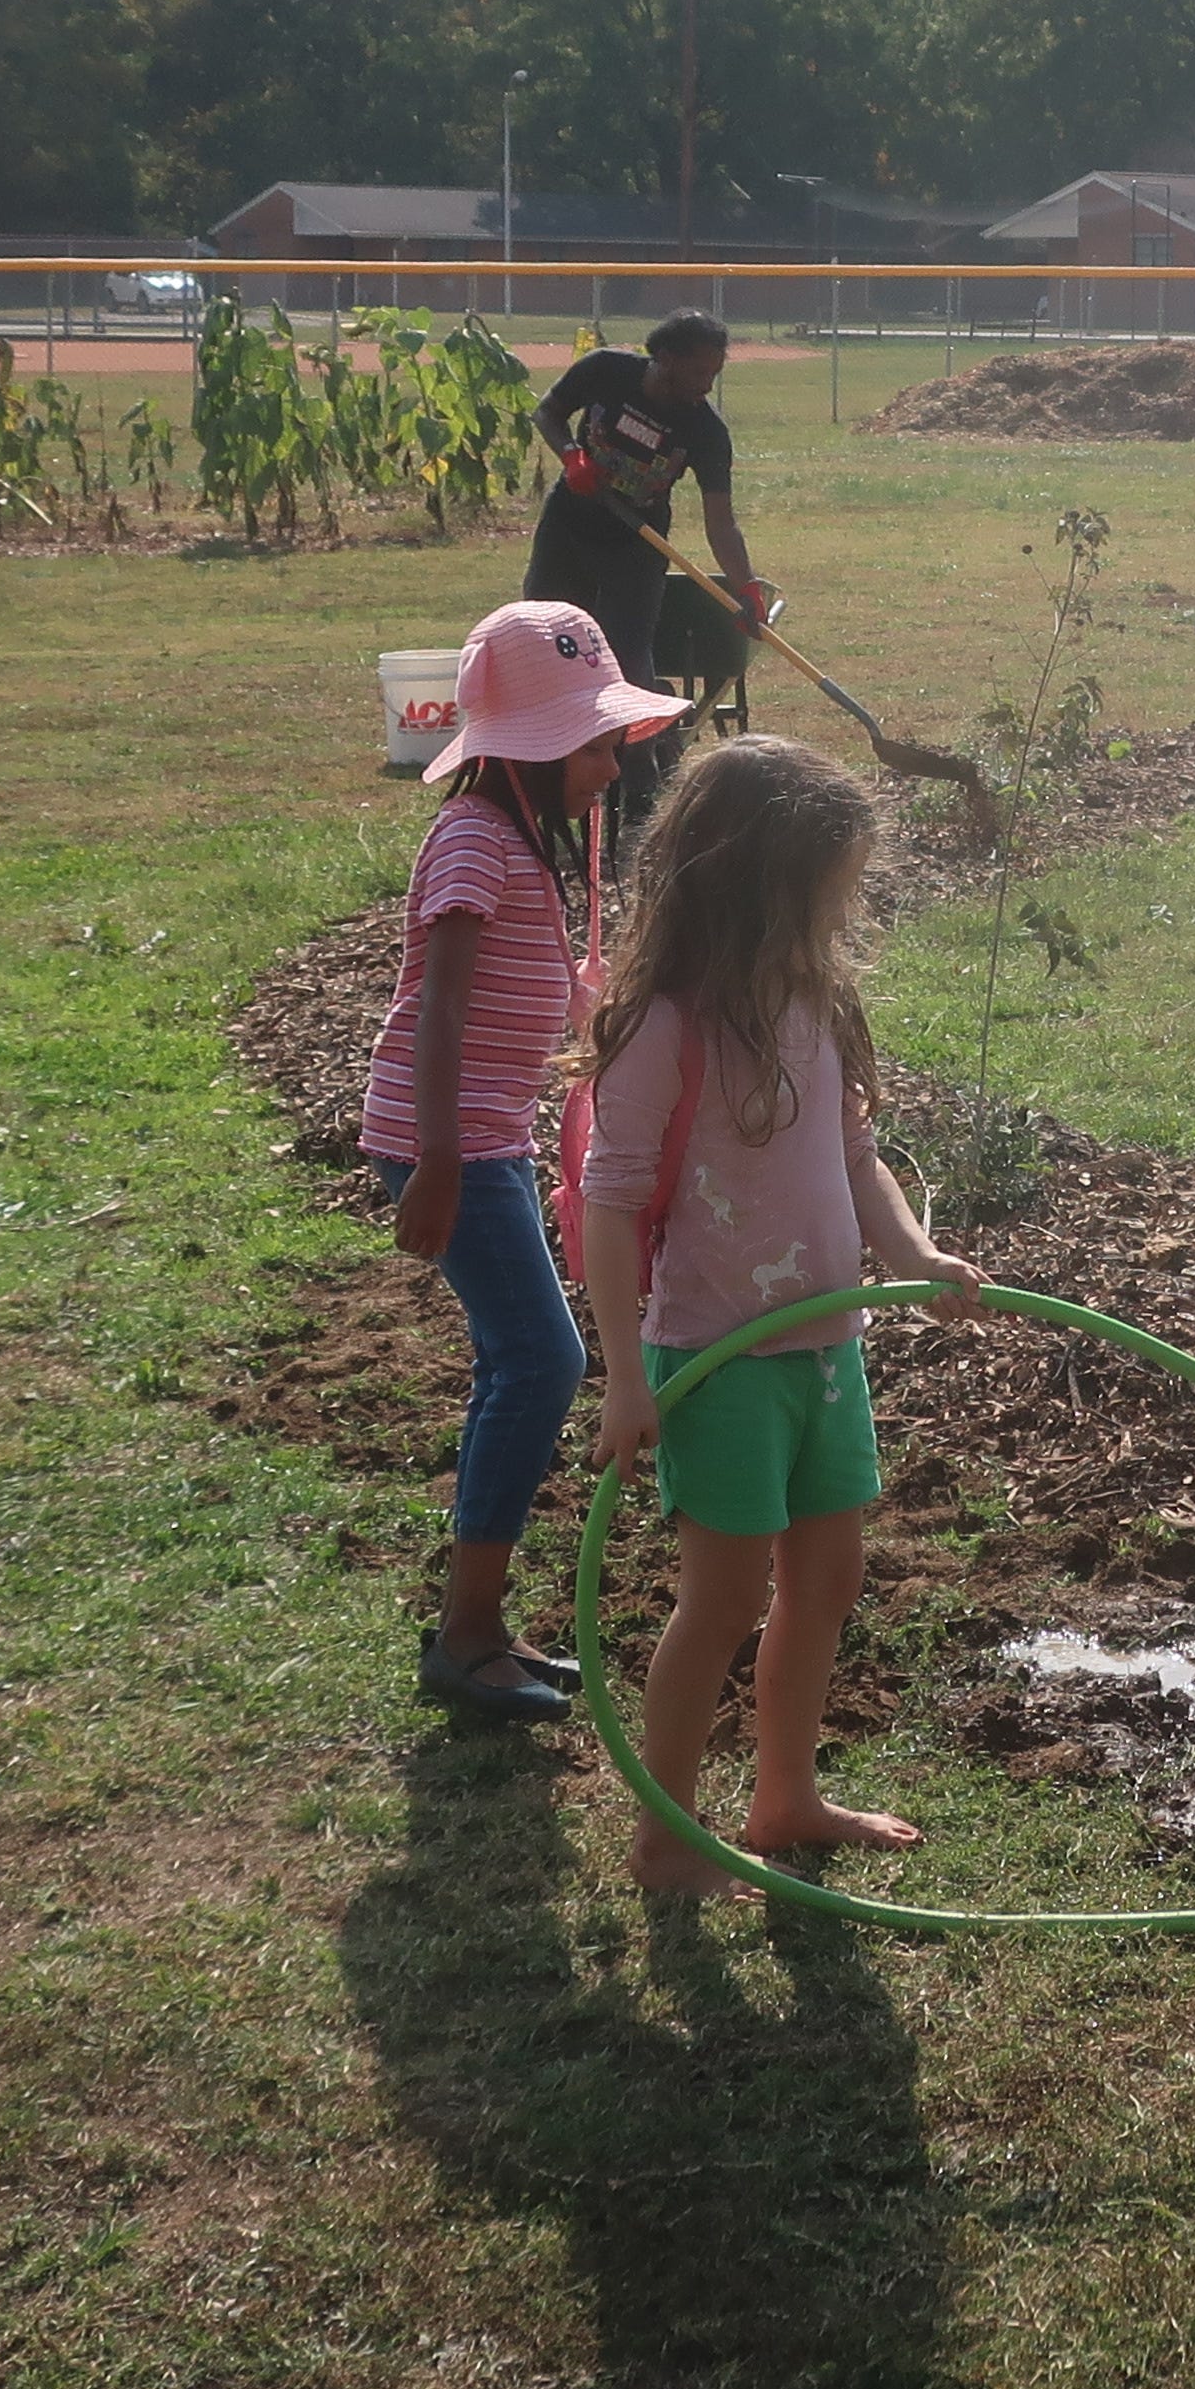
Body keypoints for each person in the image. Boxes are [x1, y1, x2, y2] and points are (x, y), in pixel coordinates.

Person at [574, 733, 987, 1894]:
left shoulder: (814, 1000)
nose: (842, 911)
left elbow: (855, 1155)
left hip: (824, 1349)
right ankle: (667, 1832)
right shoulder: (667, 1029)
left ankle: (785, 1798)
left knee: (829, 1580)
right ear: (760, 886)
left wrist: (911, 1250)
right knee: (722, 1599)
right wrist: (623, 1373)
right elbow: (609, 1206)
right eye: (830, 889)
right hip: (717, 1358)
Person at [364, 599, 688, 1724]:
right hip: (446, 1138)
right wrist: (443, 1161)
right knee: (540, 1361)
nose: (611, 766)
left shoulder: (514, 842)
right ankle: (465, 1634)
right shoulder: (469, 838)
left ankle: (482, 1621)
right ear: (539, 747)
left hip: (478, 1136)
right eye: (597, 744)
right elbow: (439, 1008)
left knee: (526, 1359)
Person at [527, 312, 769, 765]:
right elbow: (548, 411)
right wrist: (571, 455)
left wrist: (747, 586)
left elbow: (721, 521)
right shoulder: (605, 370)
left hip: (636, 546)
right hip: (569, 526)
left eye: (715, 374)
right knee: (545, 640)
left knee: (628, 661)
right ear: (665, 358)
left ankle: (641, 782)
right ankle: (548, 759)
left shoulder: (706, 431)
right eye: (700, 372)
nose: (707, 385)